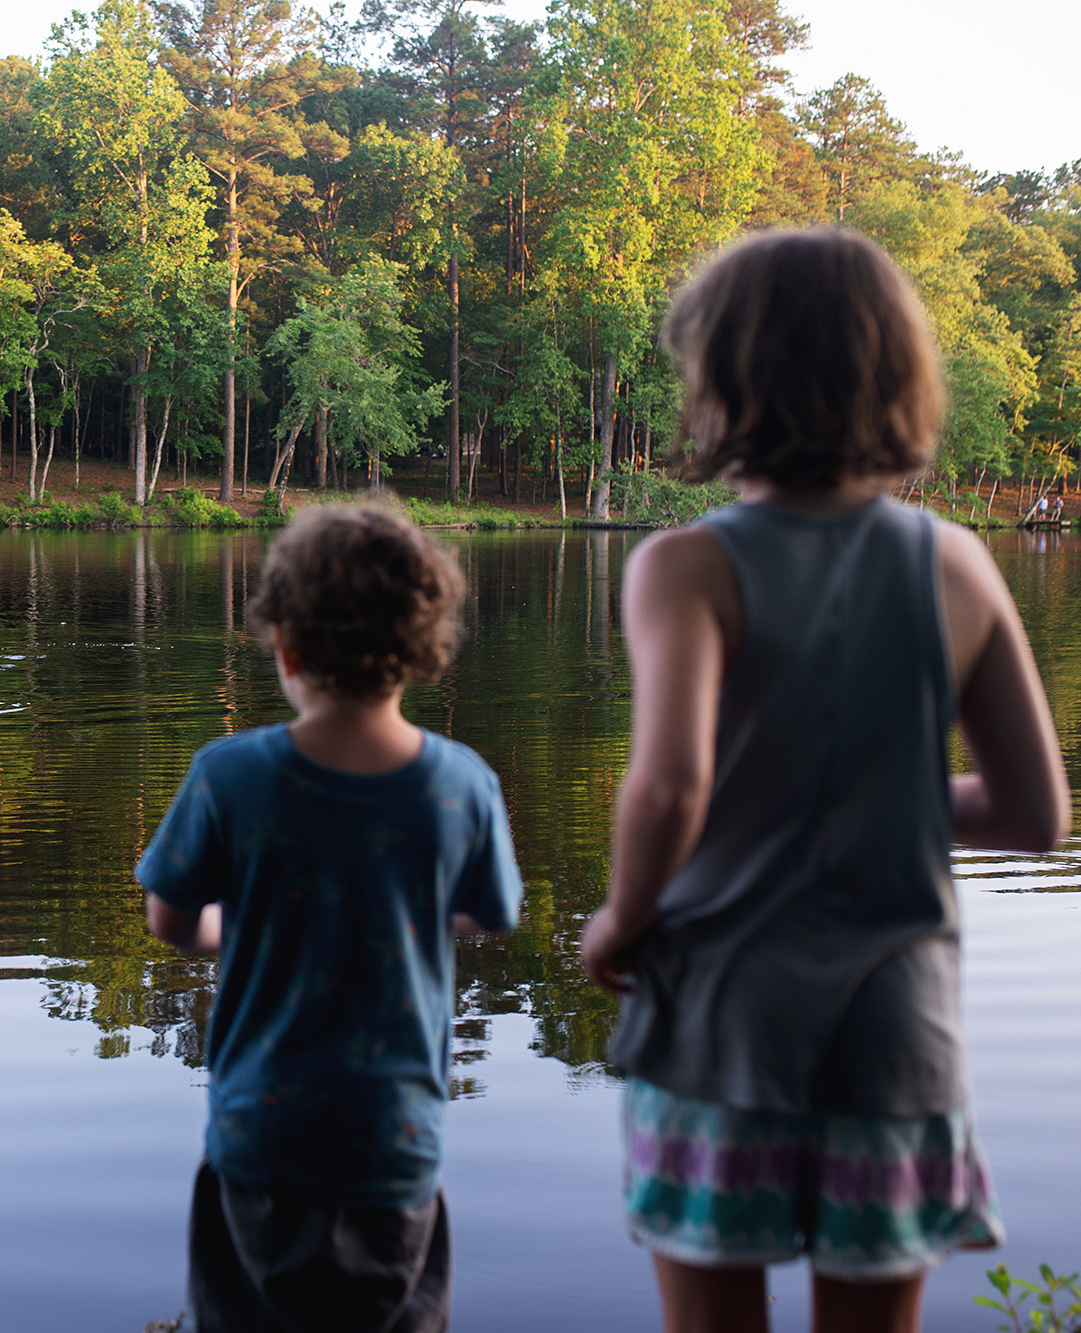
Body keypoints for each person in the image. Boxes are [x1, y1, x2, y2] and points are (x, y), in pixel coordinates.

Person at [580, 227, 1069, 1333]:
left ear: (719, 379)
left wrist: (619, 918)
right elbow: (1037, 817)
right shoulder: (953, 562)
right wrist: (868, 797)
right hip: (899, 1033)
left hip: (721, 1020)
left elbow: (667, 788)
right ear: (896, 379)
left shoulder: (683, 566)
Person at [138, 505, 524, 1333]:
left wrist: (236, 928)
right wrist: (395, 913)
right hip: (395, 1139)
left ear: (286, 643)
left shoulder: (228, 776)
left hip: (261, 1136)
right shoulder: (462, 785)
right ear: (423, 648)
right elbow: (490, 911)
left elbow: (168, 917)